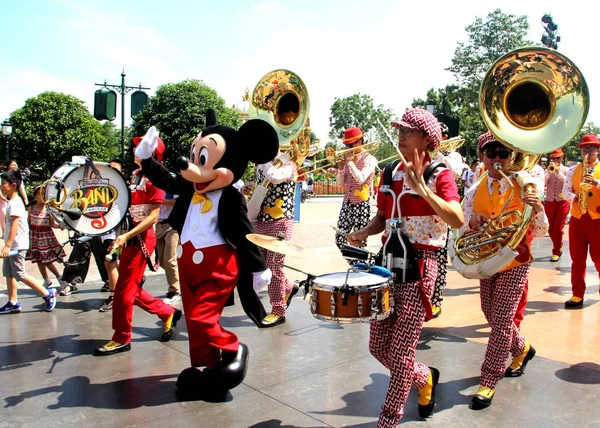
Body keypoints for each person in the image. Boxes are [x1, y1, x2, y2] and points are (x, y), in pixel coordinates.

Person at [347, 108, 464, 425]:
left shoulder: (440, 173)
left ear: (427, 139)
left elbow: (457, 217)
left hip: (421, 265)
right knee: (377, 346)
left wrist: (423, 189)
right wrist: (362, 232)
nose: (399, 135)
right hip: (387, 262)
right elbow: (383, 218)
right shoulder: (389, 173)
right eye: (398, 130)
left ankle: (389, 418)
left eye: (407, 131)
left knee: (400, 353)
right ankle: (424, 378)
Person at [461, 131, 547, 409]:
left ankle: (489, 380)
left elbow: (542, 230)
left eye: (504, 154)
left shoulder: (524, 183)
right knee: (490, 312)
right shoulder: (476, 186)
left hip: (516, 260)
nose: (498, 159)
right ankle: (522, 349)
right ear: (482, 157)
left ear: (512, 156)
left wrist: (538, 209)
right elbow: (462, 222)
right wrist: (473, 222)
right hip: (488, 259)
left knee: (500, 321)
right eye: (491, 154)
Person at [94, 138, 181, 356]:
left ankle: (121, 336)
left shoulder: (154, 181)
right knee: (129, 287)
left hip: (142, 238)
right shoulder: (135, 176)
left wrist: (126, 236)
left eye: (141, 147)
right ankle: (166, 312)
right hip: (130, 235)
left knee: (123, 290)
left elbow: (153, 218)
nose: (135, 150)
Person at [0, 170, 57, 313]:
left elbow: (15, 225)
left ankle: (47, 294)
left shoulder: (15, 203)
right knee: (9, 273)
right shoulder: (12, 202)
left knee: (20, 274)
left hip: (17, 245)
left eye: (4, 184)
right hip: (12, 245)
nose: (1, 186)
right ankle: (13, 302)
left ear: (13, 185)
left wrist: (7, 246)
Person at [254, 150, 299, 327]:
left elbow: (274, 176)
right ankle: (288, 287)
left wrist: (264, 160)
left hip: (281, 221)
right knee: (262, 265)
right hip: (262, 220)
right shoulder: (262, 164)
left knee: (274, 266)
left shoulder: (290, 165)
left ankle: (278, 310)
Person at [563, 134, 600, 308]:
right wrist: (574, 196)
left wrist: (596, 183)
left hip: (597, 219)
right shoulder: (572, 170)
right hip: (578, 218)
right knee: (577, 259)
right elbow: (565, 192)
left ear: (598, 150)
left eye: (592, 148)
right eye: (585, 148)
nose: (588, 151)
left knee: (599, 258)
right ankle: (577, 294)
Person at [335, 127, 377, 256]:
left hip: (361, 204)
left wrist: (350, 163)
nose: (347, 148)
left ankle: (360, 268)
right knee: (340, 238)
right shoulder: (349, 161)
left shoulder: (370, 159)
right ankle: (355, 264)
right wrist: (341, 169)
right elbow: (340, 183)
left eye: (350, 145)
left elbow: (361, 179)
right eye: (346, 145)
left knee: (358, 242)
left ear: (359, 142)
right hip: (347, 204)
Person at [25, 185, 66, 288]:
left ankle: (59, 277)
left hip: (46, 238)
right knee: (39, 260)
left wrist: (60, 226)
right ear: (35, 197)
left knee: (47, 261)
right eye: (40, 194)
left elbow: (52, 224)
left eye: (44, 194)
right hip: (35, 237)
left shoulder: (48, 210)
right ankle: (46, 279)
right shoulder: (31, 208)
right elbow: (28, 223)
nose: (43, 196)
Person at [99, 159, 125, 312]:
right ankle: (133, 282)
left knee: (110, 264)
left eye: (115, 169)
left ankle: (114, 295)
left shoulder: (123, 190)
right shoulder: (101, 189)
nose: (111, 171)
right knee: (113, 264)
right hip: (106, 232)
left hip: (118, 233)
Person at [544, 148, 570, 262]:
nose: (555, 160)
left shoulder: (567, 170)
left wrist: (558, 172)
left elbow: (567, 182)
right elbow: (543, 182)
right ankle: (558, 246)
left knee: (558, 228)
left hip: (562, 201)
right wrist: (549, 173)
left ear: (562, 157)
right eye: (553, 158)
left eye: (557, 158)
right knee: (550, 228)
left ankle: (556, 251)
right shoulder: (547, 170)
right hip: (550, 201)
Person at [156, 190, 181, 305]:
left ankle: (174, 291)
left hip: (172, 224)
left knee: (169, 260)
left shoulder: (171, 181)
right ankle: (182, 279)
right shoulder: (152, 182)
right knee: (161, 261)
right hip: (159, 223)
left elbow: (177, 202)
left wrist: (159, 201)